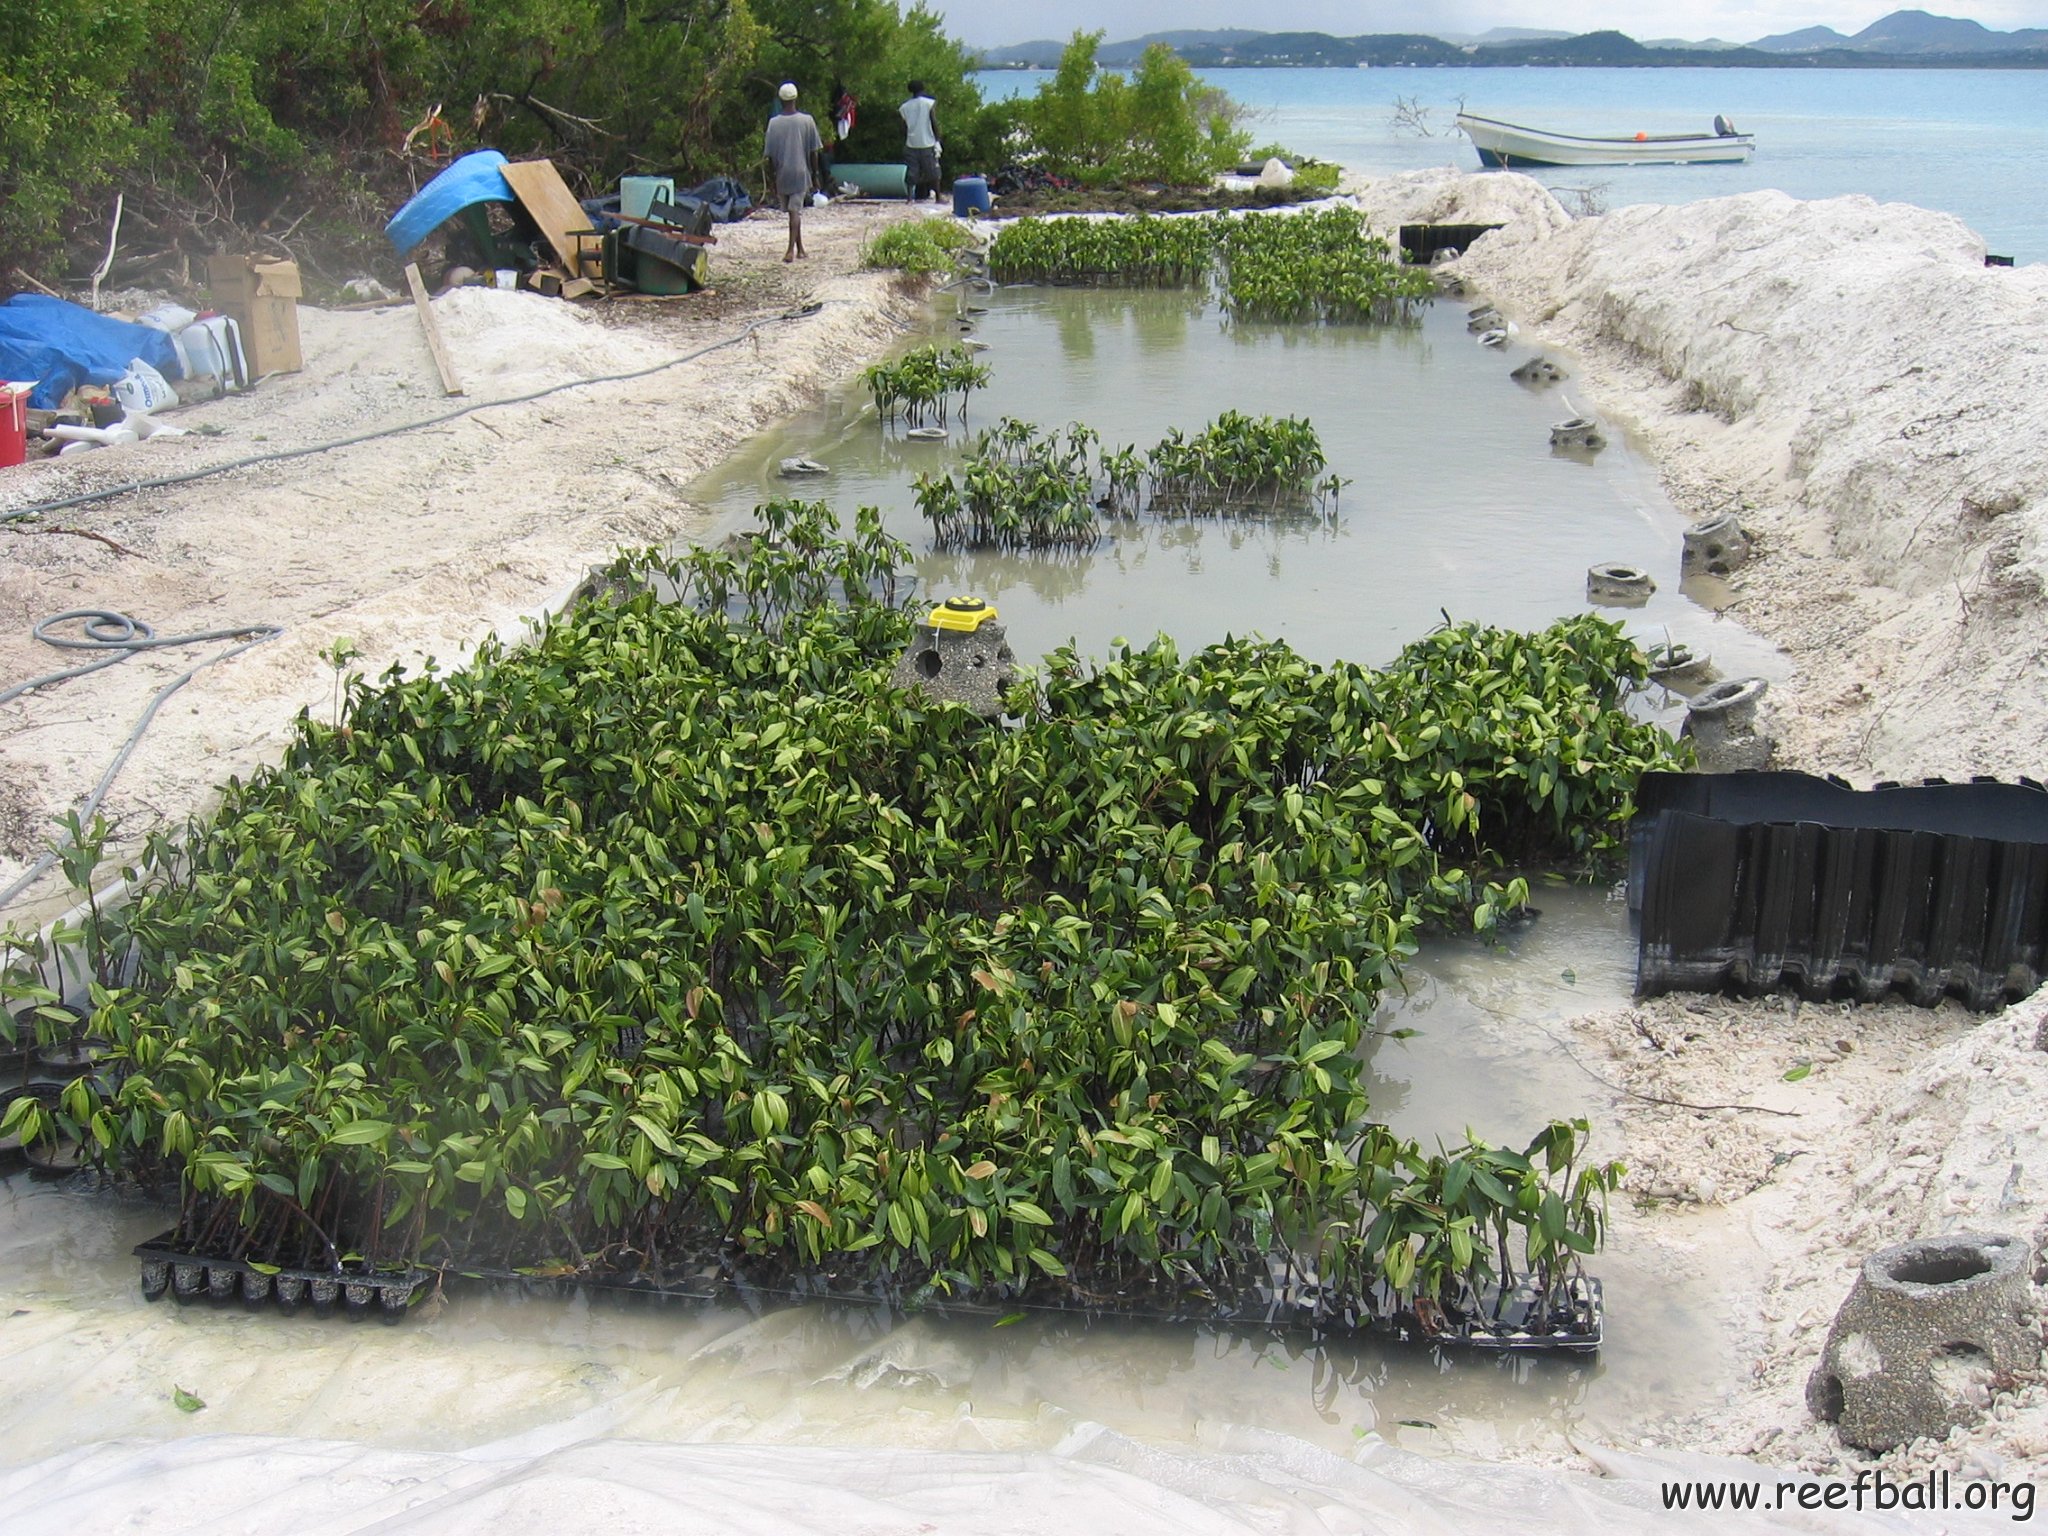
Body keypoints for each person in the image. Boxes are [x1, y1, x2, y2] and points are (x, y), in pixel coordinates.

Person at [763, 82, 823, 262]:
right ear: (796, 98)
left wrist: (772, 179)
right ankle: (792, 250)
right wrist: (815, 174)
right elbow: (814, 152)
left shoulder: (773, 123)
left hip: (782, 173)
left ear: (780, 100)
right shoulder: (807, 120)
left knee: (792, 211)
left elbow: (770, 157)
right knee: (794, 212)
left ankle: (800, 248)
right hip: (800, 172)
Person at [899, 80, 941, 202]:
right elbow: (934, 122)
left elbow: (903, 127)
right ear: (923, 89)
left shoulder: (904, 107)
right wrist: (937, 139)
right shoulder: (929, 103)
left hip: (911, 143)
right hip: (927, 142)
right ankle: (938, 197)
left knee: (911, 172)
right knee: (933, 171)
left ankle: (909, 198)